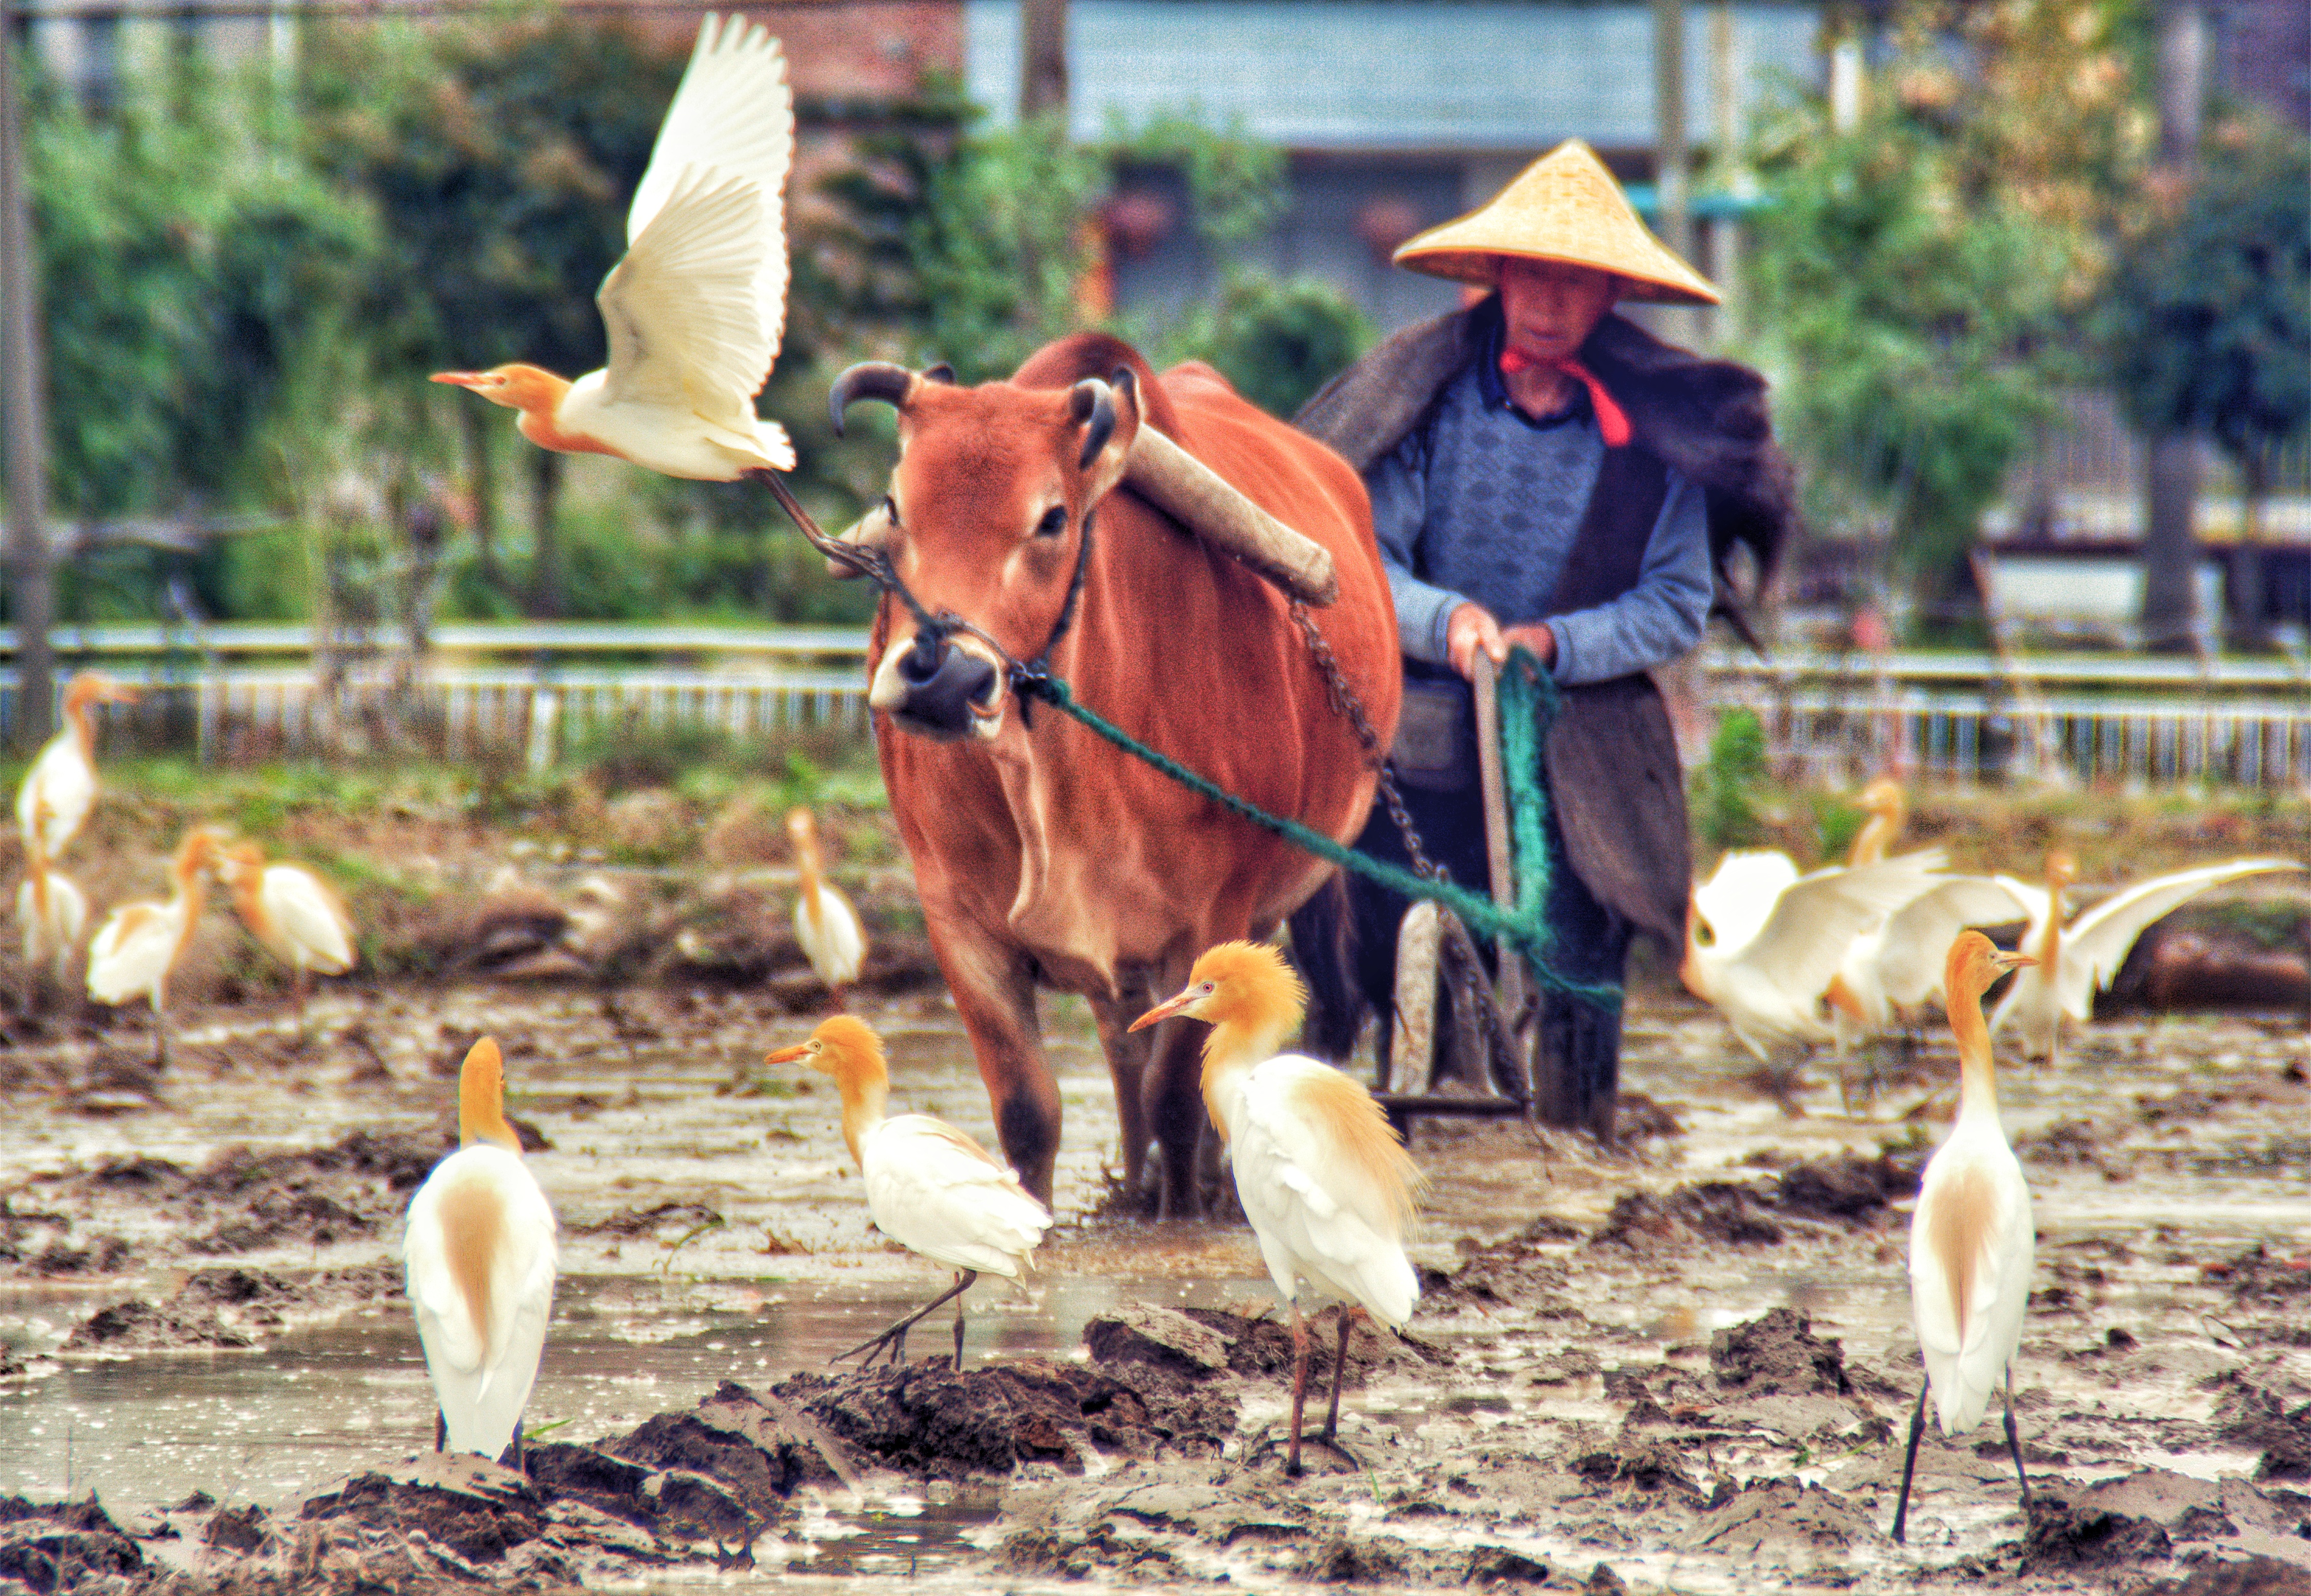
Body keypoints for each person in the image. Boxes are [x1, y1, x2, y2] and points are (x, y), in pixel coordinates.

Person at [1292, 139, 1795, 1139]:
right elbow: (1360, 560)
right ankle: (1349, 1115)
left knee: (1581, 929)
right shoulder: (1421, 403)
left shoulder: (1660, 442)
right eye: (1535, 275)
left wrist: (1551, 645)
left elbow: (1674, 604)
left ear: (1609, 295)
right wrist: (1454, 620)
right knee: (1354, 915)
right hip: (1415, 711)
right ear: (1498, 276)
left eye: (1576, 281)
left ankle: (1578, 1123)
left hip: (1577, 720)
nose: (1551, 301)